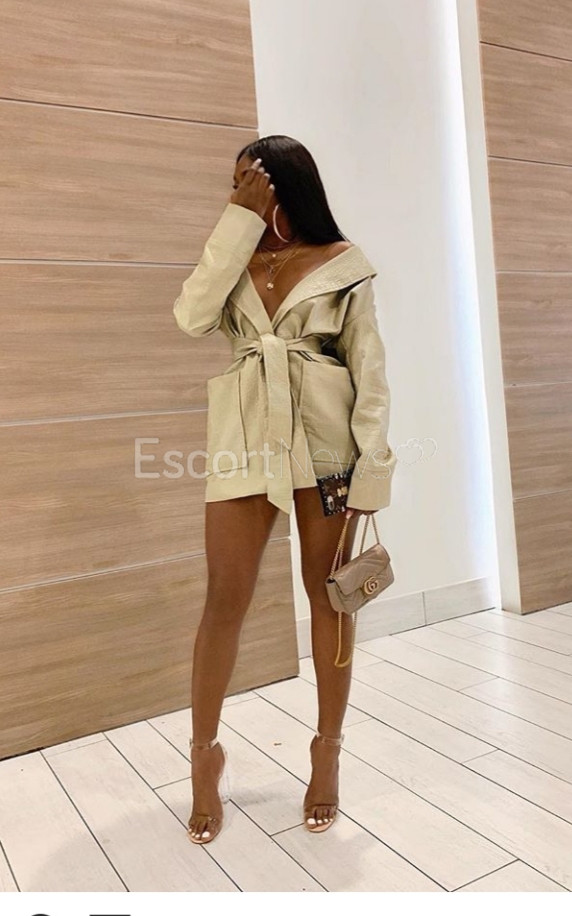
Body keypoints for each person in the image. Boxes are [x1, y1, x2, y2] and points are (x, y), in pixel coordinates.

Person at [172, 135, 396, 844]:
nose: (236, 189)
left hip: (326, 447)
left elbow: (369, 373)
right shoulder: (230, 256)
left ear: (282, 185)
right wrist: (237, 222)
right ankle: (203, 757)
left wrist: (371, 470)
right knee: (224, 599)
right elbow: (190, 316)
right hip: (243, 439)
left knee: (330, 598)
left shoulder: (343, 264)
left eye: (249, 180)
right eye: (234, 181)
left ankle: (327, 753)